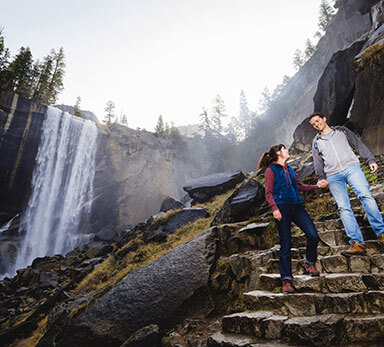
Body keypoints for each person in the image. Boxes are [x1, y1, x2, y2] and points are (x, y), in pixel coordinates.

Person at [309, 112, 384, 257]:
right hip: (333, 175)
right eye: (313, 124)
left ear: (324, 119)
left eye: (317, 121)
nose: (316, 124)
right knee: (343, 208)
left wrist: (370, 159)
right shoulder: (316, 142)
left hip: (352, 168)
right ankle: (357, 243)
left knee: (365, 196)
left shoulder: (342, 131)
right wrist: (320, 177)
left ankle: (381, 233)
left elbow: (357, 144)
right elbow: (317, 161)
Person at [259, 144, 321, 294]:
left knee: (313, 235)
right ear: (279, 153)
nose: (288, 151)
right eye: (285, 149)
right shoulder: (271, 170)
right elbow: (268, 193)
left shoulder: (290, 168)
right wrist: (275, 209)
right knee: (286, 244)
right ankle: (286, 280)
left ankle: (309, 262)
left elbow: (300, 186)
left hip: (297, 207)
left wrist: (317, 186)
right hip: (282, 208)